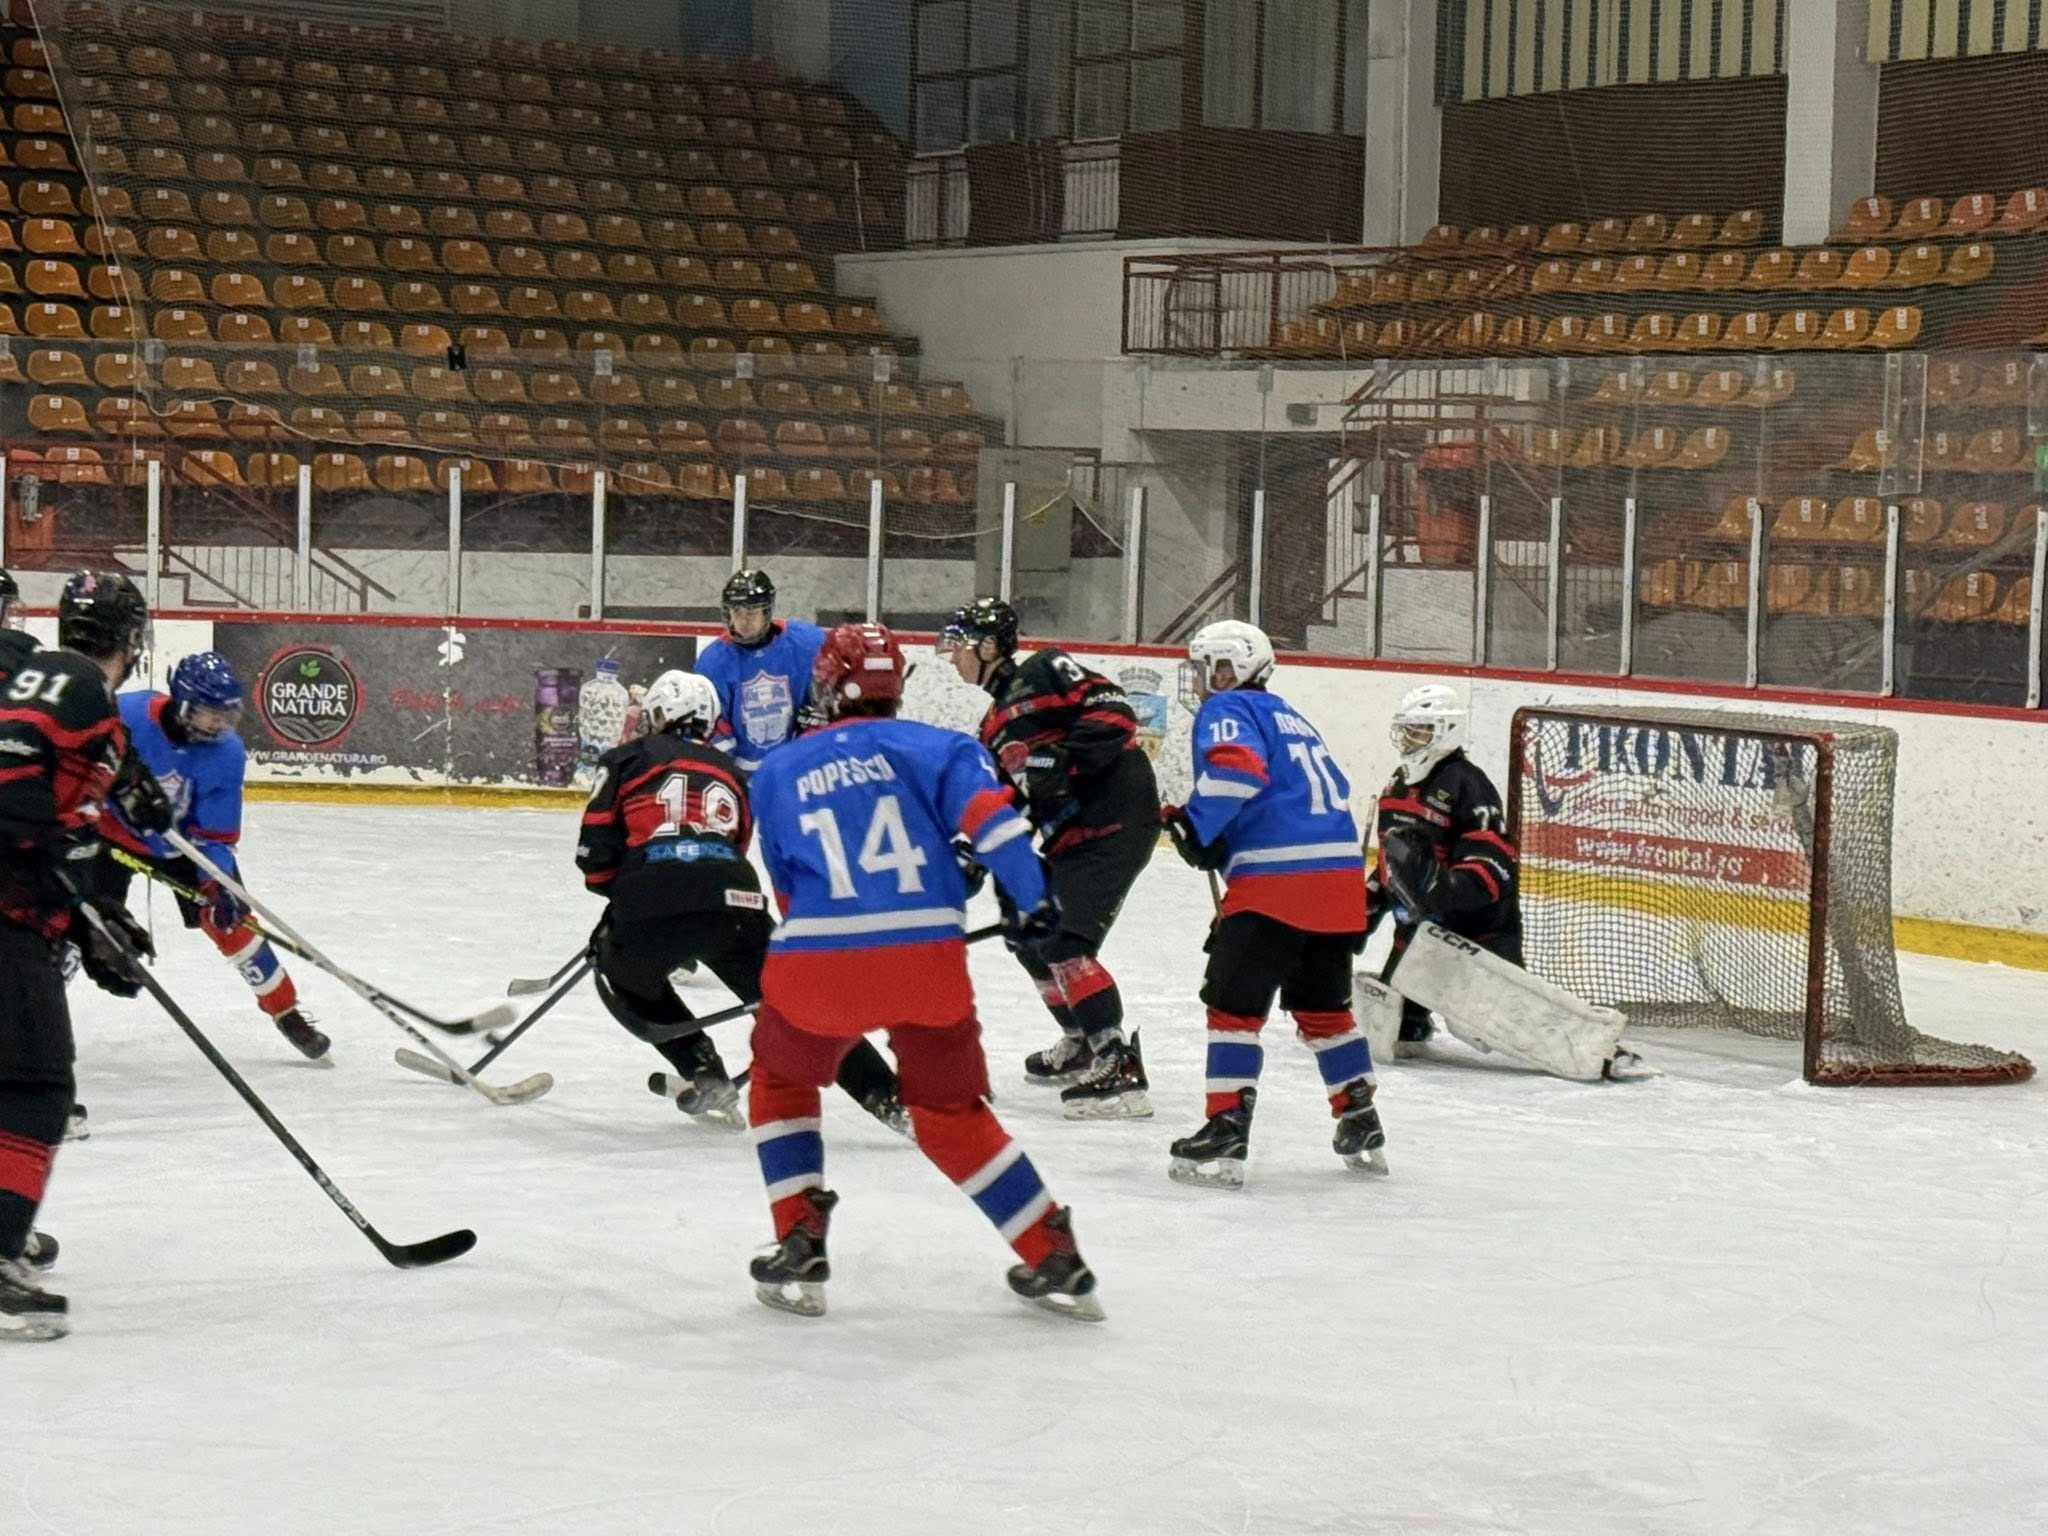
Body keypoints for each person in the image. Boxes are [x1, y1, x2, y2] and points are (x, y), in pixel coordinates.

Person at [742, 622, 1101, 1320]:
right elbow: (996, 828)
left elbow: (788, 888)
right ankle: (1048, 1249)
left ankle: (799, 1238)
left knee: (781, 1080)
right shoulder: (944, 747)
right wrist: (1032, 898)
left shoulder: (781, 769)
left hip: (822, 958)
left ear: (826, 685)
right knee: (946, 1112)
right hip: (929, 960)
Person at [575, 669, 906, 1133]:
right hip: (735, 902)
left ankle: (703, 1069)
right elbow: (736, 844)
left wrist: (629, 891)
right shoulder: (730, 771)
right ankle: (890, 1097)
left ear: (660, 714)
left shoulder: (626, 758)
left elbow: (594, 854)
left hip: (652, 900)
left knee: (620, 976)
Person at [0, 571, 169, 1340]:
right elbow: (16, 792)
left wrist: (89, 915)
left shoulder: (50, 681)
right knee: (36, 1084)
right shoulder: (74, 685)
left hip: (21, 911)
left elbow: (59, 810)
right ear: (132, 642)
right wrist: (67, 868)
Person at [1160, 620, 1386, 1189]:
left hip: (1278, 882)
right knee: (1324, 1008)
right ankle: (1358, 1113)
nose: (1209, 679)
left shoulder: (1228, 709)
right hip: (1339, 886)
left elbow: (1237, 771)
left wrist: (1195, 823)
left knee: (1233, 1008)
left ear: (1237, 667)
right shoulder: (1292, 716)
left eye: (1216, 665)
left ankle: (1226, 1125)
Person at [939, 598, 1158, 1117]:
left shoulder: (1045, 668)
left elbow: (1115, 712)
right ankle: (1081, 1040)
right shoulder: (992, 727)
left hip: (1115, 818)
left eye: (961, 645)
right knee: (1026, 930)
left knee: (1064, 938)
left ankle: (1118, 1061)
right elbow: (1008, 802)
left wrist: (1064, 761)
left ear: (990, 646)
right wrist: (972, 853)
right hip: (1071, 835)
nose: (952, 658)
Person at [99, 652, 329, 1062]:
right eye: (210, 714)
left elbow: (215, 836)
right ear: (184, 704)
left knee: (233, 923)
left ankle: (285, 1010)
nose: (220, 724)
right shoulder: (126, 713)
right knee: (74, 918)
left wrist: (219, 885)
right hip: (109, 836)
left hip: (182, 846)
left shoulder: (226, 753)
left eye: (227, 714)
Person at [1367, 683, 1522, 1053]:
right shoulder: (1397, 783)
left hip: (1480, 935)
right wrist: (1370, 899)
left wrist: (1444, 893)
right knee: (1400, 1029)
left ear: (1446, 731)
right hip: (1418, 937)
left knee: (1501, 1028)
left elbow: (1491, 865)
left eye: (1420, 729)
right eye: (1407, 728)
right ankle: (1416, 1015)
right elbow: (1392, 860)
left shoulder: (1469, 784)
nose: (1408, 738)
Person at [693, 568, 826, 772]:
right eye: (737, 612)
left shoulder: (806, 643)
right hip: (741, 774)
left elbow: (826, 701)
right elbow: (710, 725)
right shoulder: (712, 661)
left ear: (766, 611)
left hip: (796, 769)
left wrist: (815, 727)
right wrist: (729, 770)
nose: (744, 620)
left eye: (751, 612)